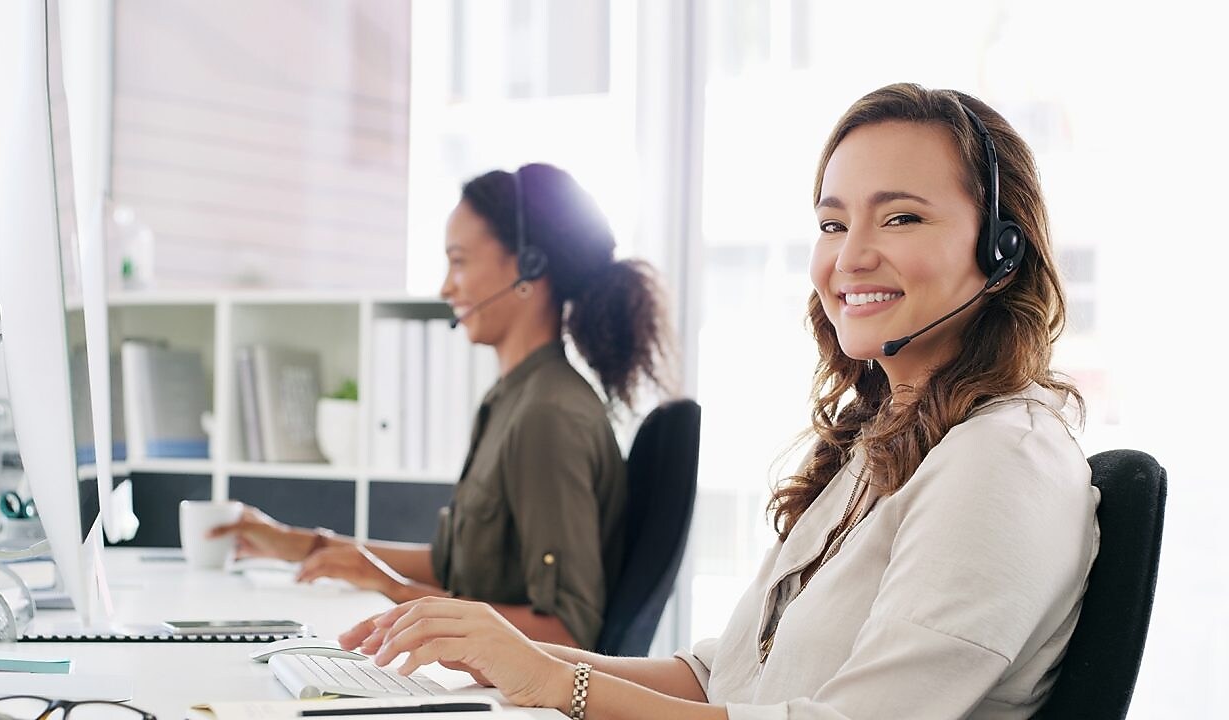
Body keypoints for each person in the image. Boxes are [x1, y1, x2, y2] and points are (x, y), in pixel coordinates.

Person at [335, 83, 1100, 719]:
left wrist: (556, 683)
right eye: (833, 223)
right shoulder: (882, 444)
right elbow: (719, 678)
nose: (850, 254)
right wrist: (511, 656)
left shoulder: (1004, 459)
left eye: (901, 217)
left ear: (1002, 250)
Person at [211, 163, 676, 650]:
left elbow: (566, 632)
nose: (445, 288)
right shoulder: (511, 398)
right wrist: (305, 545)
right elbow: (452, 566)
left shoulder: (548, 416)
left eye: (458, 262)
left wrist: (396, 591)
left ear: (528, 268)